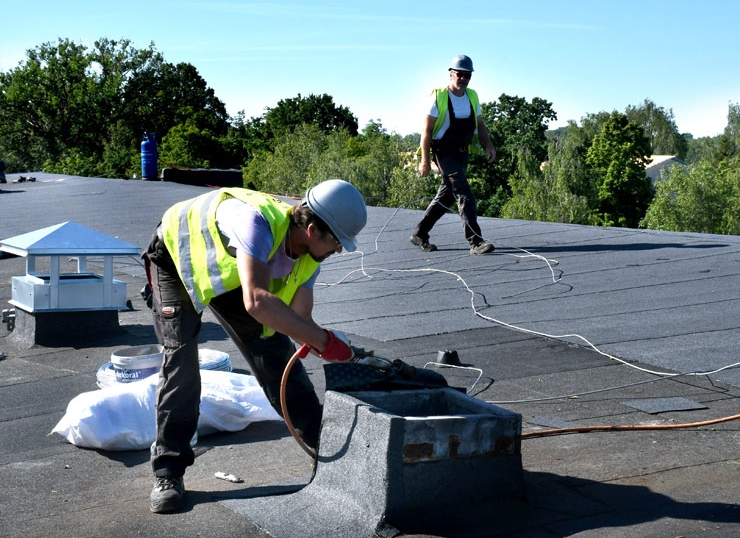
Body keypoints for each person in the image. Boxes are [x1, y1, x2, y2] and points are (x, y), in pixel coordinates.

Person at [142, 179, 368, 514]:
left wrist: (328, 344)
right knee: (182, 362)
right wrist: (323, 340)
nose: (338, 249)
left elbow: (298, 318)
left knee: (274, 349)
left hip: (235, 271)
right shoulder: (256, 223)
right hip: (176, 255)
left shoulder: (310, 254)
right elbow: (257, 301)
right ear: (310, 228)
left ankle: (327, 451)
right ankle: (168, 471)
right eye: (336, 241)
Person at [410, 54, 497, 255]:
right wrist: (424, 160)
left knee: (446, 196)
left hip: (461, 152)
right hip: (444, 152)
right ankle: (475, 242)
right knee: (464, 194)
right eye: (460, 75)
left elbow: (481, 125)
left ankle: (419, 233)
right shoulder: (439, 96)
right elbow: (427, 131)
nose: (464, 79)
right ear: (451, 74)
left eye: (467, 75)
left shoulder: (472, 96)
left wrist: (489, 146)